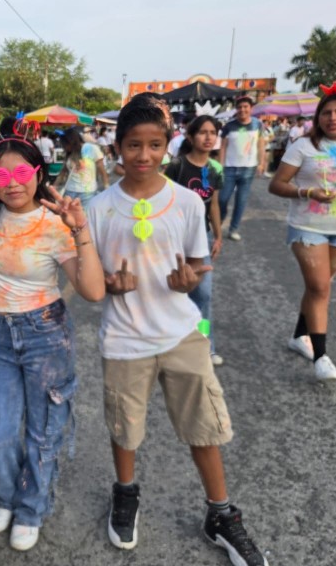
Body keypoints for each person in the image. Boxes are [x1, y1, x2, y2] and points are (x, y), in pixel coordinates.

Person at [87, 93, 268, 566]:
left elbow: (195, 263)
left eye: (154, 145)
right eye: (133, 145)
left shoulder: (186, 202)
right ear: (117, 147)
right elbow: (90, 279)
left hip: (182, 334)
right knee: (125, 428)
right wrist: (108, 283)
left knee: (204, 426)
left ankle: (221, 513)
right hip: (124, 338)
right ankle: (125, 491)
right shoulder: (98, 208)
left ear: (168, 145)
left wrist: (187, 281)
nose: (143, 155)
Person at [0, 138, 105, 552]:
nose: (12, 183)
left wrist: (80, 229)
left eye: (21, 173)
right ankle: (5, 496)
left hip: (45, 335)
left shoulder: (55, 224)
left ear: (38, 173)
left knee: (42, 431)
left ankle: (31, 508)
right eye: (1, 174)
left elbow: (93, 291)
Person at [268, 82, 336, 381]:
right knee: (320, 289)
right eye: (326, 113)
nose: (333, 118)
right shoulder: (303, 146)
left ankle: (298, 336)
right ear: (318, 118)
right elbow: (276, 184)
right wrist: (307, 192)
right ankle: (321, 356)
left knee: (320, 286)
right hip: (307, 227)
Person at [164, 115, 225, 366]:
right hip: (174, 238)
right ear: (190, 137)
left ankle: (205, 344)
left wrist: (218, 236)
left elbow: (214, 205)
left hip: (201, 238)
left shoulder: (216, 169)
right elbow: (163, 200)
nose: (208, 137)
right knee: (174, 291)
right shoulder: (176, 166)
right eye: (202, 132)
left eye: (213, 133)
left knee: (204, 295)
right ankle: (174, 342)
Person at [217, 96, 267, 241]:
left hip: (248, 168)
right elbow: (223, 147)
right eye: (239, 107)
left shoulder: (257, 125)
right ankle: (219, 222)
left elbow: (261, 145)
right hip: (229, 168)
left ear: (251, 108)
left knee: (241, 200)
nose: (242, 110)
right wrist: (220, 165)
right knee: (222, 199)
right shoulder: (229, 126)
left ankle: (233, 229)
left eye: (245, 107)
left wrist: (261, 163)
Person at [57, 127, 109, 207]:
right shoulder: (70, 153)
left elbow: (102, 170)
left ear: (71, 141)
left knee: (85, 215)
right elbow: (63, 171)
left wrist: (106, 188)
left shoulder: (91, 148)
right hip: (69, 192)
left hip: (87, 193)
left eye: (65, 144)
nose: (64, 147)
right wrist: (54, 186)